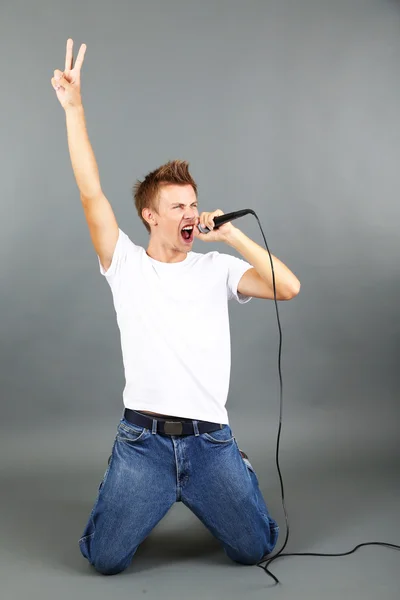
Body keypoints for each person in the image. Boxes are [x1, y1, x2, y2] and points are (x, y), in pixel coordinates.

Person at [51, 39, 301, 576]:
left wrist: (232, 236)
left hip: (211, 442)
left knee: (255, 549)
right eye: (177, 207)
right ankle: (125, 484)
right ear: (149, 216)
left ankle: (236, 469)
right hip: (142, 444)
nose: (190, 213)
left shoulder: (218, 269)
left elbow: (289, 287)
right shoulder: (125, 264)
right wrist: (74, 109)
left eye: (194, 204)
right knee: (104, 559)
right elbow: (91, 192)